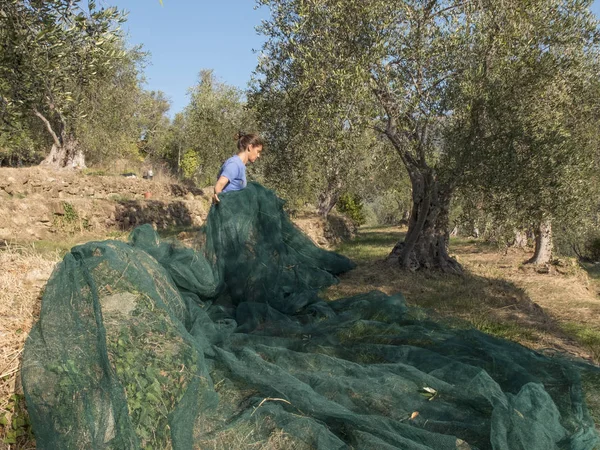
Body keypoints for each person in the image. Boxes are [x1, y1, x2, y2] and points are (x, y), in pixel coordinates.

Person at [212, 132, 264, 204]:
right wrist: (220, 201)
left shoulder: (240, 165)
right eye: (258, 151)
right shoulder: (234, 164)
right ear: (250, 147)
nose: (258, 155)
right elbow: (219, 185)